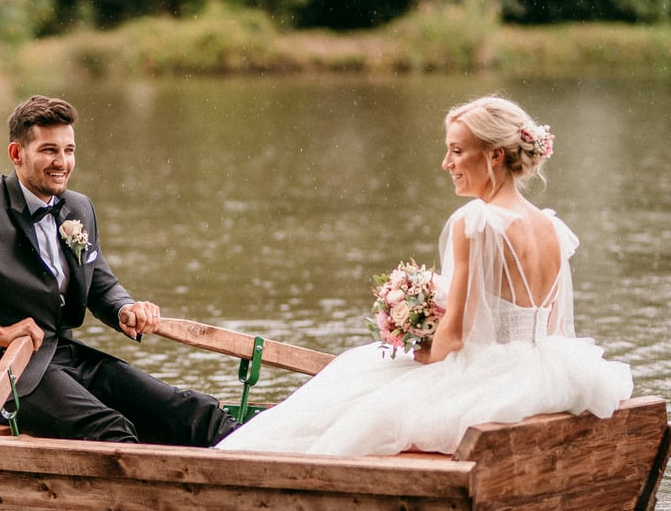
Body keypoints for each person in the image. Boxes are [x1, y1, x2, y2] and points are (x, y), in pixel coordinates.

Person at [218, 94, 633, 457]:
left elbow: (454, 338)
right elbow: (555, 328)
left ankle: (252, 456)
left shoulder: (477, 221)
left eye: (456, 151)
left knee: (356, 377)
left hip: (490, 373)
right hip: (545, 370)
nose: (446, 163)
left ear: (494, 155)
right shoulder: (552, 228)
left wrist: (420, 352)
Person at [0, 95, 237, 445]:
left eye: (69, 150)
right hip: (5, 377)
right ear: (17, 154)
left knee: (193, 411)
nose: (62, 162)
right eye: (49, 150)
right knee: (110, 430)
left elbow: (100, 285)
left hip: (65, 357)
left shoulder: (79, 207)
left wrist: (127, 308)